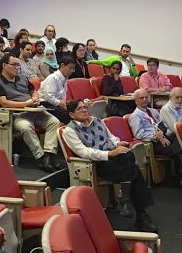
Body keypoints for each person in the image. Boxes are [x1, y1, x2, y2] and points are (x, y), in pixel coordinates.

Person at [63, 99, 157, 232]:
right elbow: (83, 152)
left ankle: (127, 200)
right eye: (80, 109)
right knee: (134, 170)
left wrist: (118, 143)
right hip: (98, 163)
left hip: (113, 156)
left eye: (85, 107)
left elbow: (110, 137)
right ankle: (141, 214)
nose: (84, 110)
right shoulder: (69, 130)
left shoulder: (98, 121)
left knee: (129, 155)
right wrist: (110, 153)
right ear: (72, 114)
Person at [0, 54, 61, 172]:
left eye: (18, 65)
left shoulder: (23, 78)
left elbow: (33, 91)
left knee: (54, 122)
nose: (17, 67)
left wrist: (34, 98)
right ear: (4, 65)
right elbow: (4, 103)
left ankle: (49, 154)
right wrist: (25, 104)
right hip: (17, 114)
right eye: (14, 64)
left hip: (34, 110)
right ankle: (41, 157)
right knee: (26, 127)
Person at [128, 89, 182, 183]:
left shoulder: (153, 111)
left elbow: (161, 124)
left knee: (180, 136)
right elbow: (139, 135)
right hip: (153, 143)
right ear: (136, 101)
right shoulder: (135, 116)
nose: (145, 99)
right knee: (180, 145)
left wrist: (161, 134)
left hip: (164, 137)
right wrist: (156, 136)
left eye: (146, 97)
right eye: (141, 98)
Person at [39, 56, 75, 124]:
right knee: (68, 116)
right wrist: (60, 104)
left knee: (76, 111)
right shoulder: (52, 78)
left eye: (73, 69)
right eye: (70, 68)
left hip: (57, 104)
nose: (72, 71)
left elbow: (63, 96)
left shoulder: (65, 79)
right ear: (62, 65)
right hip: (45, 104)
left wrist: (64, 104)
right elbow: (48, 97)